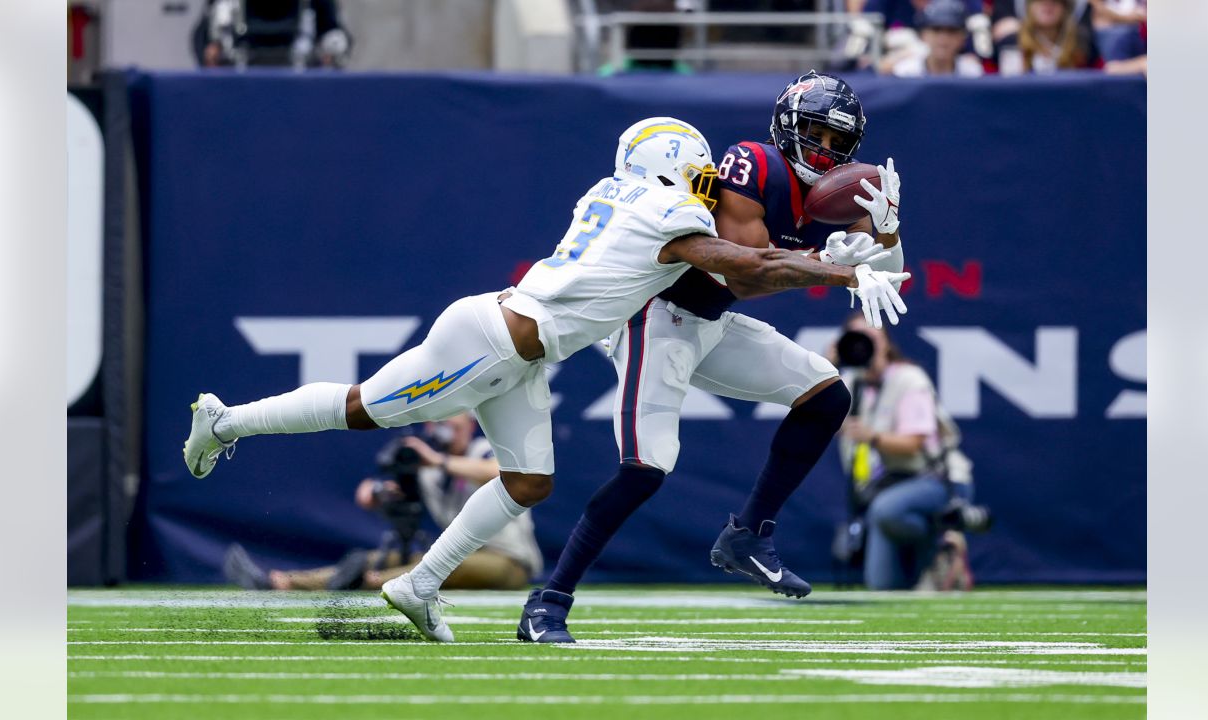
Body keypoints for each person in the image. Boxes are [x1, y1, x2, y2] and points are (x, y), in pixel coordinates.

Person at [182, 115, 913, 642]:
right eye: (698, 171)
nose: (708, 183)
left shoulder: (616, 194)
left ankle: (418, 585)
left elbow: (753, 258)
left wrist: (866, 244)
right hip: (491, 343)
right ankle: (225, 421)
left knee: (529, 483)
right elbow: (749, 266)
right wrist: (845, 265)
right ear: (672, 167)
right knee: (365, 408)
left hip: (525, 354)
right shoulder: (666, 207)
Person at [516, 73, 909, 643]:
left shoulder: (834, 197)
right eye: (815, 133)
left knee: (827, 395)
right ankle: (548, 603)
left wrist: (889, 233)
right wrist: (833, 262)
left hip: (709, 322)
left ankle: (748, 533)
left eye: (836, 140)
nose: (824, 151)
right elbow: (742, 275)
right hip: (656, 317)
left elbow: (887, 275)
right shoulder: (752, 163)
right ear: (786, 126)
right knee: (645, 469)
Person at [222, 413, 541, 592]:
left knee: (438, 562)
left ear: (470, 423)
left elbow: (498, 473)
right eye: (439, 422)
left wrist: (438, 461)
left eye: (452, 421)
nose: (444, 429)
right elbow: (377, 492)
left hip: (509, 562)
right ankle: (284, 582)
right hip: (459, 553)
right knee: (371, 557)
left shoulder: (482, 450)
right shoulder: (429, 472)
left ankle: (379, 583)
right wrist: (378, 491)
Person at [832, 313, 981, 590]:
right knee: (882, 588)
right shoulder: (851, 382)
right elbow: (814, 413)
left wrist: (872, 436)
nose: (863, 344)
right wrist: (827, 365)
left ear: (886, 343)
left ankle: (939, 544)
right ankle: (941, 546)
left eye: (871, 336)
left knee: (886, 510)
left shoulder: (908, 378)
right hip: (885, 489)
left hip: (937, 481)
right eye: (856, 337)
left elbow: (914, 442)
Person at [194, 0, 351, 69]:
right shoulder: (226, 4)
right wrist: (211, 51)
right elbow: (203, 37)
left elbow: (334, 32)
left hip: (301, 82)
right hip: (240, 83)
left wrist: (331, 53)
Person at [884, 0, 985, 77]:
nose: (943, 38)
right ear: (923, 35)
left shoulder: (972, 73)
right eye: (936, 30)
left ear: (962, 37)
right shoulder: (906, 72)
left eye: (951, 31)